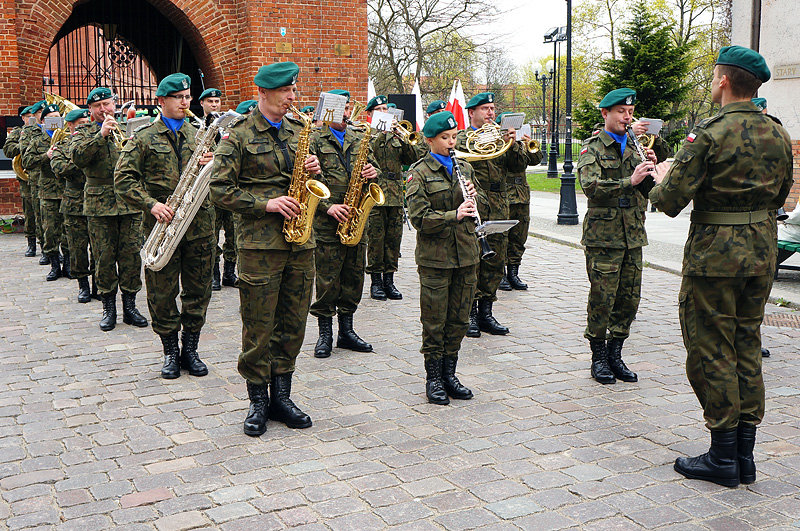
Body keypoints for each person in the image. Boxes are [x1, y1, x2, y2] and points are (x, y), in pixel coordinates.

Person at [650, 46, 793, 488]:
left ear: (724, 81)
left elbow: (669, 202)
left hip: (715, 255)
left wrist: (661, 177)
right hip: (761, 251)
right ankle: (744, 457)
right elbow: (782, 192)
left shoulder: (708, 134)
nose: (713, 84)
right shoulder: (778, 132)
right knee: (747, 344)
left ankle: (722, 456)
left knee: (710, 347)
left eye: (714, 78)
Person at [210, 61, 322, 436]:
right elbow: (220, 191)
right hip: (260, 247)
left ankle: (282, 396)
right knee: (259, 327)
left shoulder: (297, 129)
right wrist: (267, 204)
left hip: (300, 241)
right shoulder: (238, 135)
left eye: (293, 90)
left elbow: (302, 179)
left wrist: (311, 170)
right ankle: (258, 401)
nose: (293, 98)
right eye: (286, 92)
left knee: (293, 323)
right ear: (264, 93)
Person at [116, 73, 215, 380]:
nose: (185, 103)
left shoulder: (201, 133)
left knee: (198, 291)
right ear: (161, 101)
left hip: (199, 226)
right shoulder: (143, 138)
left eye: (188, 97)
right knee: (161, 293)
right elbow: (123, 180)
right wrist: (151, 204)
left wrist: (213, 162)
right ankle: (170, 351)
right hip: (163, 227)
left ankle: (191, 350)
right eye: (179, 98)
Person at [406, 111, 487, 404]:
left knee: (459, 318)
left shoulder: (464, 168)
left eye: (454, 137)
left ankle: (450, 373)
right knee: (435, 319)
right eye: (444, 138)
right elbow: (419, 217)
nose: (451, 143)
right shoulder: (419, 173)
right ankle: (434, 378)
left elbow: (480, 208)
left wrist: (475, 198)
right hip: (435, 258)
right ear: (430, 140)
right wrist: (454, 214)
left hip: (466, 254)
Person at [577, 88, 657, 385]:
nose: (627, 117)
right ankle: (598, 357)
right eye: (621, 112)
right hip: (604, 236)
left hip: (633, 234)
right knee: (602, 298)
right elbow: (591, 186)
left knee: (628, 298)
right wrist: (629, 180)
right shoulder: (592, 148)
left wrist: (651, 171)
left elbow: (649, 192)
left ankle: (616, 353)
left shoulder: (637, 146)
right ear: (605, 114)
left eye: (630, 112)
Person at [308, 89, 380, 358]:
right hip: (328, 221)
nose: (348, 113)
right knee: (327, 280)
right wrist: (328, 207)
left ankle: (346, 331)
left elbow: (373, 169)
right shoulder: (314, 140)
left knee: (353, 276)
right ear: (328, 111)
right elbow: (308, 182)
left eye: (349, 108)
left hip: (356, 218)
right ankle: (325, 333)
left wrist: (374, 172)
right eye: (342, 108)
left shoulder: (359, 138)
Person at [71, 87, 148, 332]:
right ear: (90, 110)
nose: (104, 109)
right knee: (103, 257)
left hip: (129, 202)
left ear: (115, 104)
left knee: (131, 256)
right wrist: (100, 136)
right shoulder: (83, 132)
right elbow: (77, 158)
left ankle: (130, 306)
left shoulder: (130, 128)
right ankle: (108, 308)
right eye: (98, 106)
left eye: (107, 104)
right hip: (99, 204)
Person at [457, 92, 529, 337]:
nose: (490, 113)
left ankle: (486, 313)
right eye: (485, 109)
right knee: (473, 261)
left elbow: (519, 165)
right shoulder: (462, 138)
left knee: (495, 260)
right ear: (471, 113)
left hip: (500, 202)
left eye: (492, 108)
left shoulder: (501, 136)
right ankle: (469, 315)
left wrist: (514, 142)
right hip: (476, 202)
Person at [364, 94, 424, 300]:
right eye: (379, 109)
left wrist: (404, 140)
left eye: (385, 109)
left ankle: (389, 280)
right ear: (370, 113)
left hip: (396, 194)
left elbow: (414, 158)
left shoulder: (396, 135)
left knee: (393, 239)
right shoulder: (366, 134)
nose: (383, 112)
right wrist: (383, 132)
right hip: (375, 192)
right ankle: (376, 282)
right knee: (376, 239)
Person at [22, 103, 70, 281]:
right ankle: (54, 265)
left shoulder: (66, 138)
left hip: (66, 190)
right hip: (48, 192)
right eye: (50, 119)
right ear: (43, 121)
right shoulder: (37, 140)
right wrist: (45, 156)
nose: (55, 121)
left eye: (58, 117)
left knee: (68, 231)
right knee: (50, 231)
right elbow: (26, 161)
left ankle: (69, 265)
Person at [495, 112, 542, 291]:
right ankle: (500, 274)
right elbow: (514, 164)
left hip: (521, 195)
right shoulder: (498, 145)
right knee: (502, 237)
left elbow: (536, 160)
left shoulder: (521, 143)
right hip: (505, 195)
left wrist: (530, 146)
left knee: (519, 236)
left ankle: (513, 272)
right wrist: (511, 144)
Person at [51, 108, 93, 302]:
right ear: (70, 125)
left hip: (98, 203)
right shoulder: (61, 146)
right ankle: (83, 285)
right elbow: (59, 168)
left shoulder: (97, 142)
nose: (85, 126)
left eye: (86, 122)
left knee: (100, 249)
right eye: (80, 124)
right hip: (74, 204)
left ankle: (100, 286)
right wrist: (84, 158)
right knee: (77, 248)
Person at [200, 87, 237, 291]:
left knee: (233, 232)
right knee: (212, 233)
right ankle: (214, 273)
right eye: (210, 102)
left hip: (229, 186)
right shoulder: (198, 126)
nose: (214, 105)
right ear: (203, 104)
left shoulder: (228, 125)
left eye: (217, 102)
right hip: (209, 189)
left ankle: (229, 273)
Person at [3, 106, 37, 257]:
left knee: (44, 213)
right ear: (23, 118)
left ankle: (49, 247)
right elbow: (8, 149)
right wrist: (24, 146)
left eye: (34, 116)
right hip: (26, 178)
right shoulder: (17, 131)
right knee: (30, 212)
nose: (32, 119)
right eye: (28, 116)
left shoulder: (41, 130)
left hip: (41, 176)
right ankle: (31, 243)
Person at [22, 100, 49, 265]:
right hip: (36, 178)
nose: (43, 116)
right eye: (40, 113)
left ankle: (56, 249)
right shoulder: (29, 131)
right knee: (39, 214)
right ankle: (44, 248)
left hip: (56, 178)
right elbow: (25, 154)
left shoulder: (58, 130)